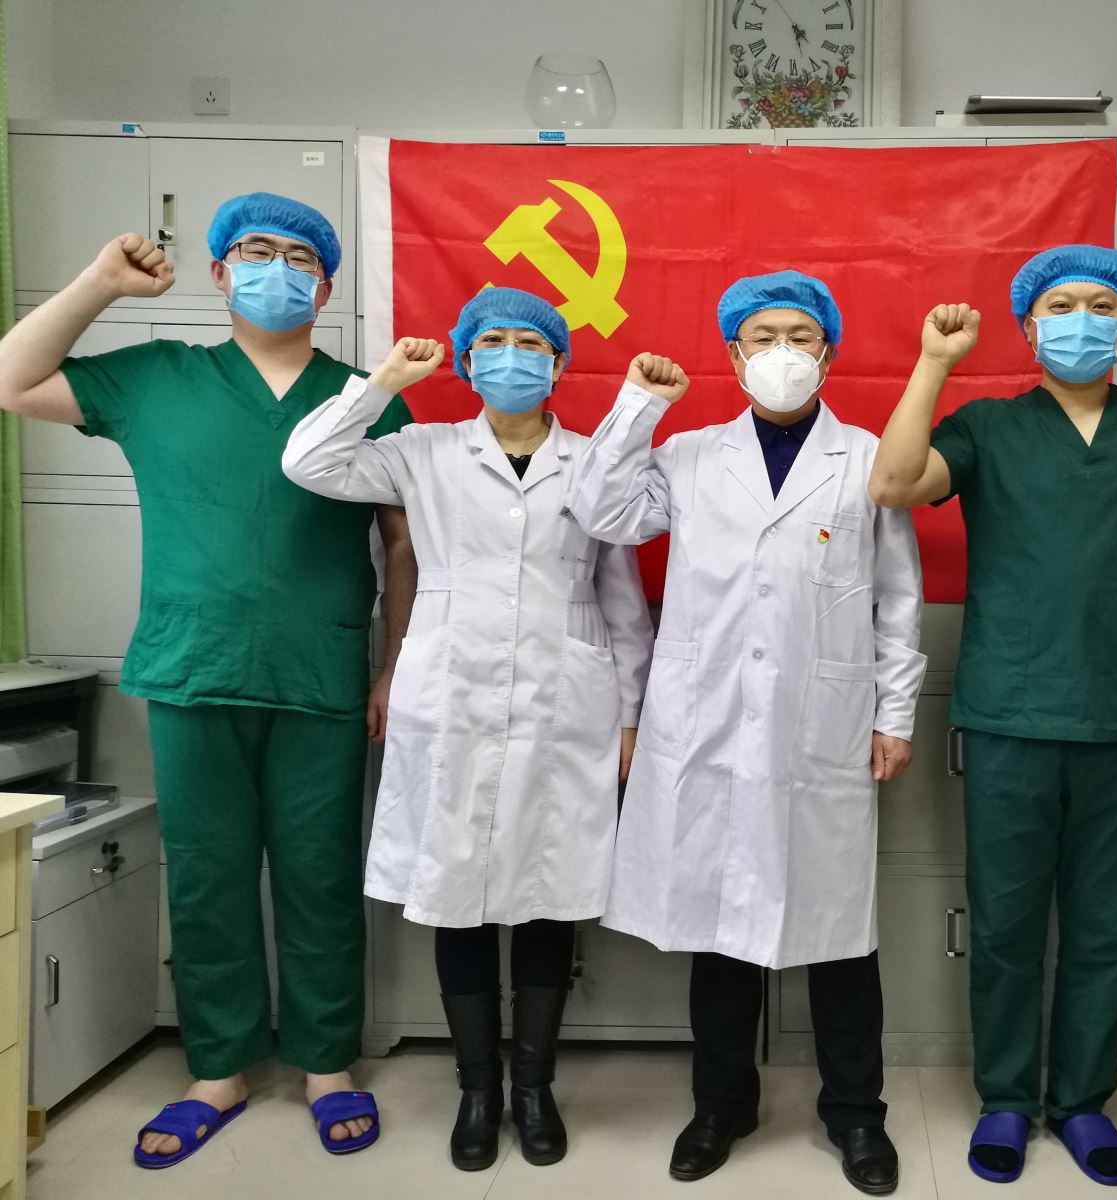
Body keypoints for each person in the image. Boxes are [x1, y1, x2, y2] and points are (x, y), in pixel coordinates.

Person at [0, 193, 415, 1165]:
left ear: (326, 286)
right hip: (193, 672)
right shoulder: (158, 378)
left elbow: (403, 546)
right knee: (207, 875)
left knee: (320, 876)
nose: (279, 270)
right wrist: (101, 284)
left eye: (301, 258)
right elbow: (14, 380)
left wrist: (392, 666)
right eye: (258, 252)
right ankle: (219, 1067)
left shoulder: (368, 396)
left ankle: (326, 1063)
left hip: (319, 674)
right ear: (221, 273)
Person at [868, 245, 1117, 1187]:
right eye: (1060, 307)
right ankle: (1006, 1098)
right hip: (1010, 717)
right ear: (1028, 326)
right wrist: (933, 362)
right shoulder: (988, 426)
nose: (1080, 321)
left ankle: (1081, 1103)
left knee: (1108, 927)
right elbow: (894, 484)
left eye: (1101, 306)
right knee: (1005, 925)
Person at [568, 271, 926, 1195]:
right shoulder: (688, 456)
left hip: (822, 728)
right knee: (720, 925)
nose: (782, 353)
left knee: (840, 932)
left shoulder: (866, 458)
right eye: (763, 336)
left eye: (800, 336)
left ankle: (857, 1114)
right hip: (710, 727)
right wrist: (637, 405)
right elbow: (601, 511)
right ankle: (721, 1105)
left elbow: (897, 598)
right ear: (732, 354)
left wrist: (893, 712)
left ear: (828, 353)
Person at [282, 287, 652, 1172]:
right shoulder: (423, 451)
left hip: (567, 704)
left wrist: (631, 713)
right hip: (451, 699)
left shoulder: (592, 462)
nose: (512, 356)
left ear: (559, 364)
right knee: (458, 891)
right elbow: (309, 461)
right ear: (468, 359)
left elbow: (622, 599)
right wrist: (382, 382)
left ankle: (535, 1085)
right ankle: (478, 1089)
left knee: (551, 892)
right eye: (493, 341)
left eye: (531, 343)